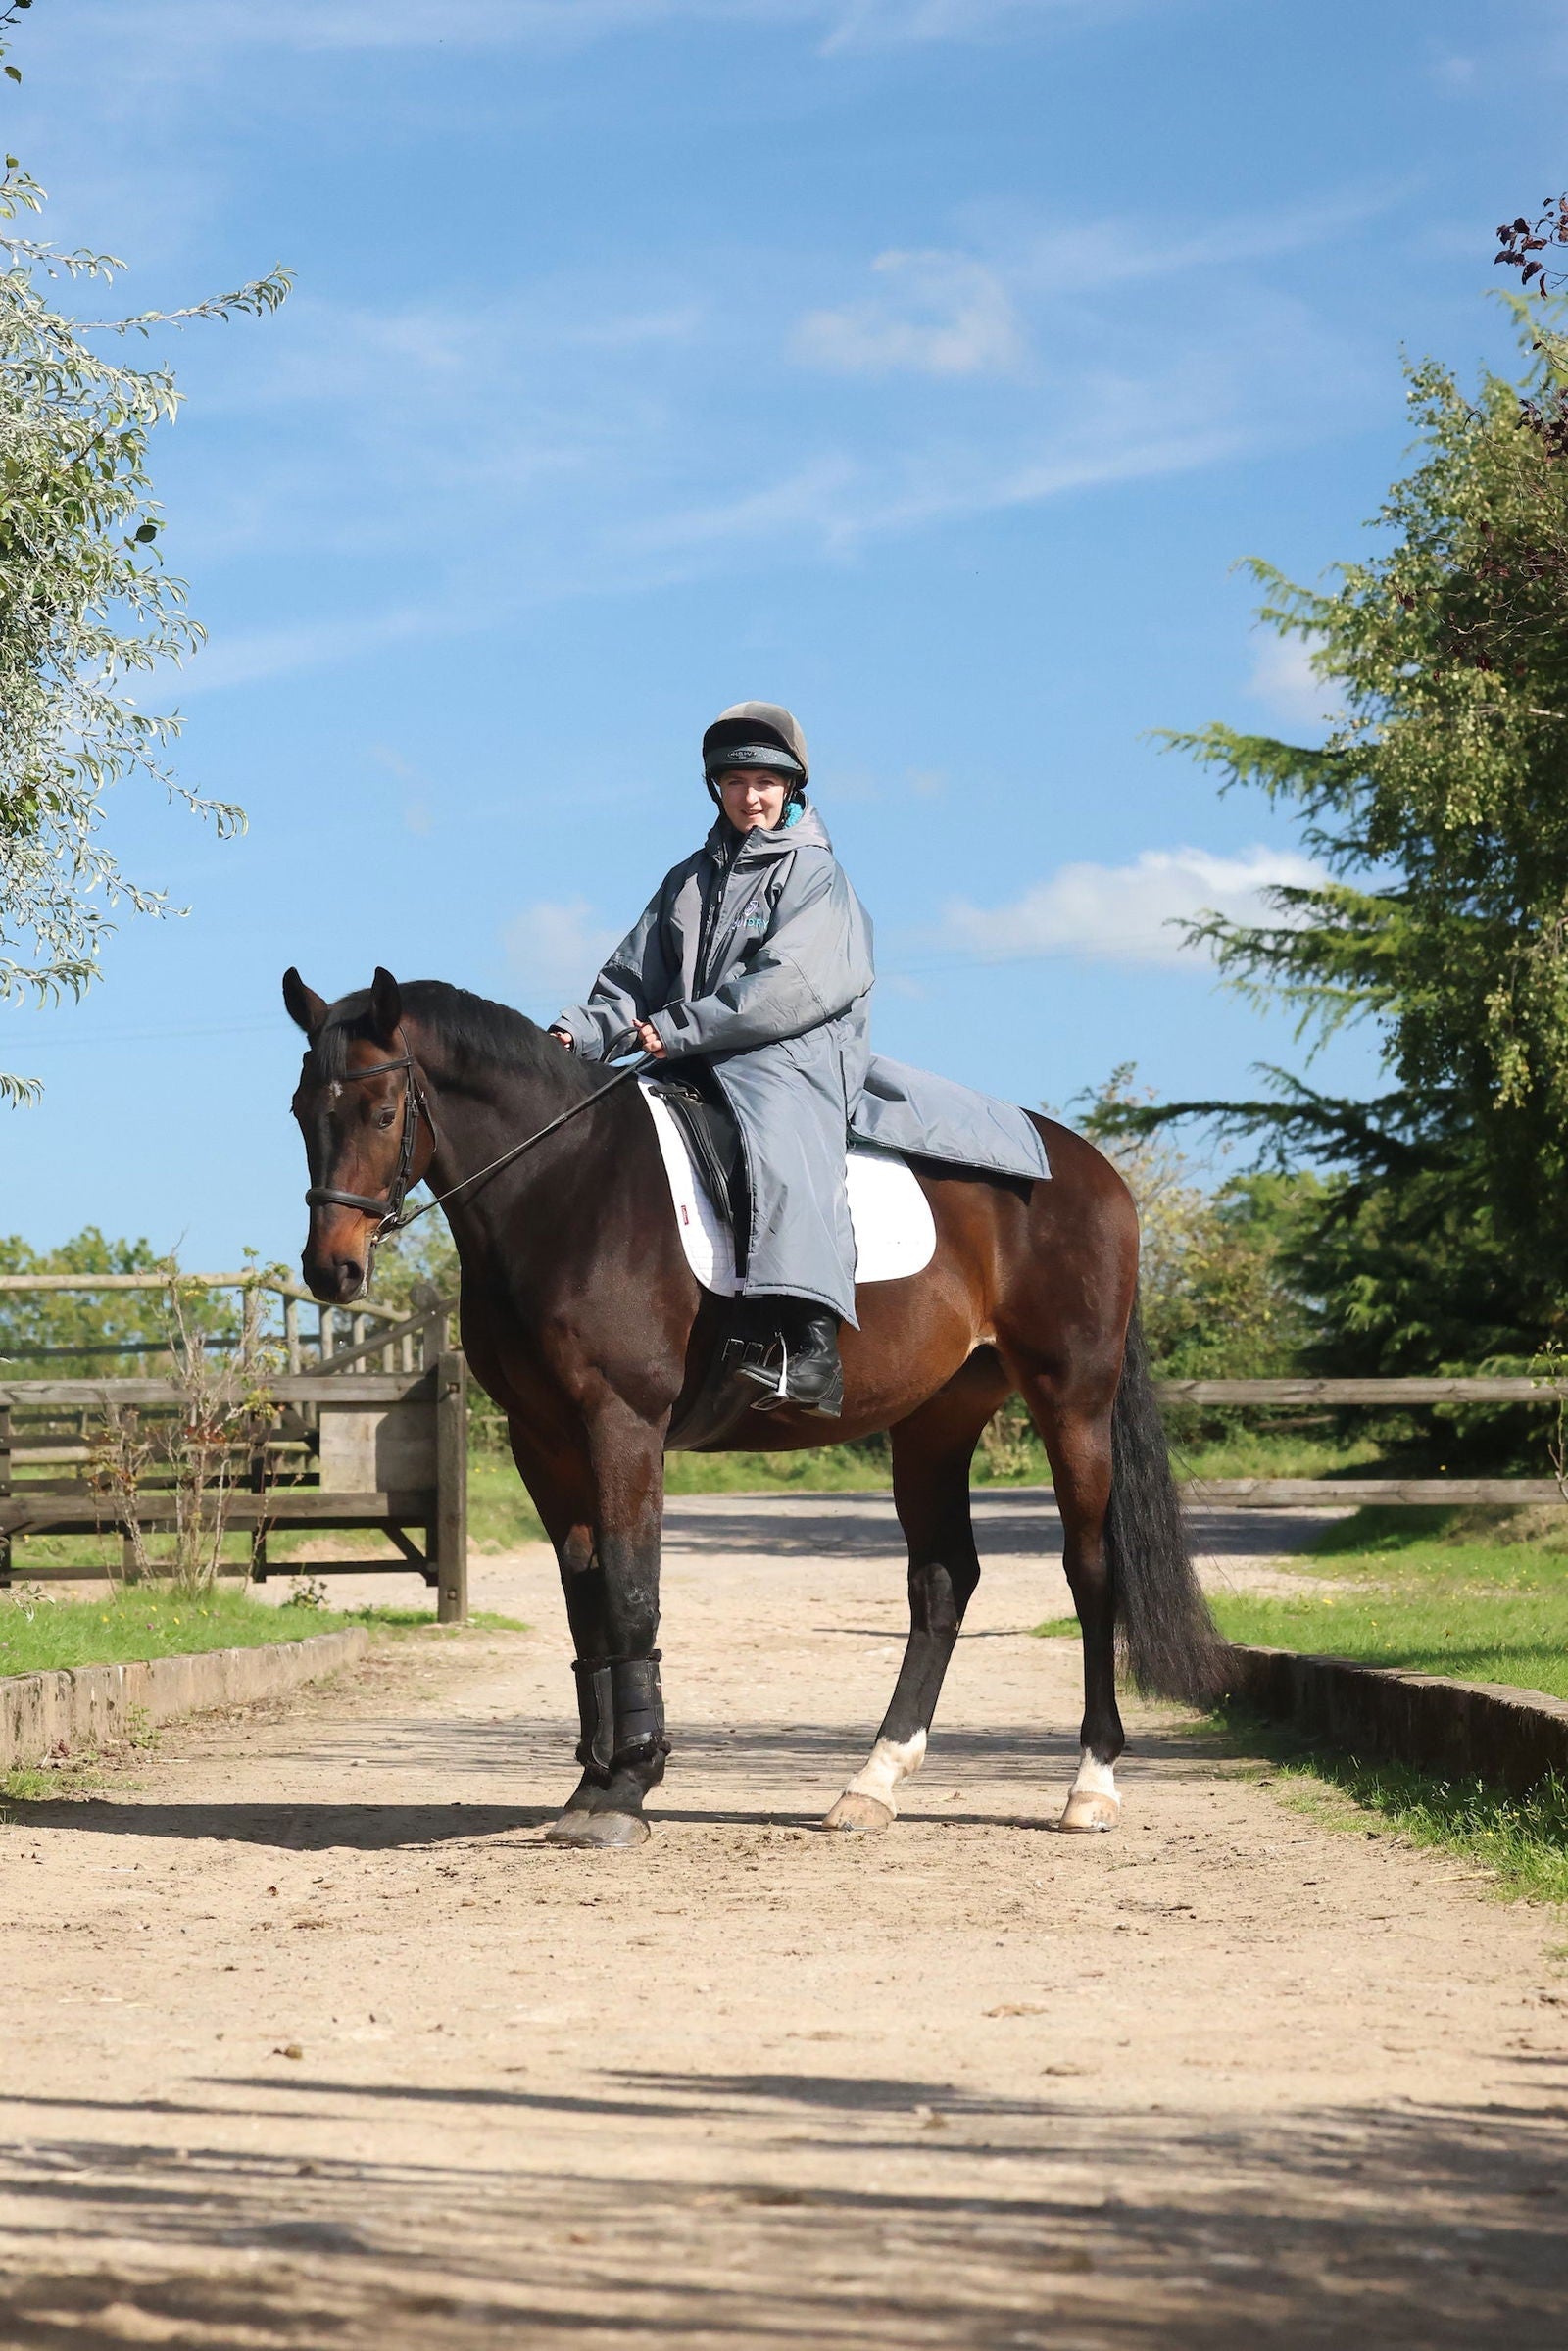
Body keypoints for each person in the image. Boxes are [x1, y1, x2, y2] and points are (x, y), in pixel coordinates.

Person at [550, 702, 872, 1417]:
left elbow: (788, 989)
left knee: (778, 1142)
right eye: (735, 781)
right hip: (696, 1054)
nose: (751, 795)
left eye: (765, 781)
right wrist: (575, 1034)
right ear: (716, 789)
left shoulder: (817, 876)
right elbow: (631, 980)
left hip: (791, 1058)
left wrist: (681, 1028)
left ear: (790, 788)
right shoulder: (686, 881)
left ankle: (811, 1348)